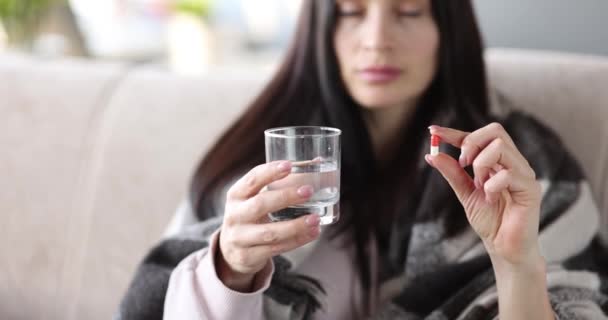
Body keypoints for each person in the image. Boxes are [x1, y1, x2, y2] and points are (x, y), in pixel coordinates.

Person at [116, 0, 608, 319]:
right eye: (351, 11)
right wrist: (228, 271)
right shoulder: (250, 160)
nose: (376, 39)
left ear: (447, 27)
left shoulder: (516, 163)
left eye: (409, 11)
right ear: (321, 26)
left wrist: (517, 264)